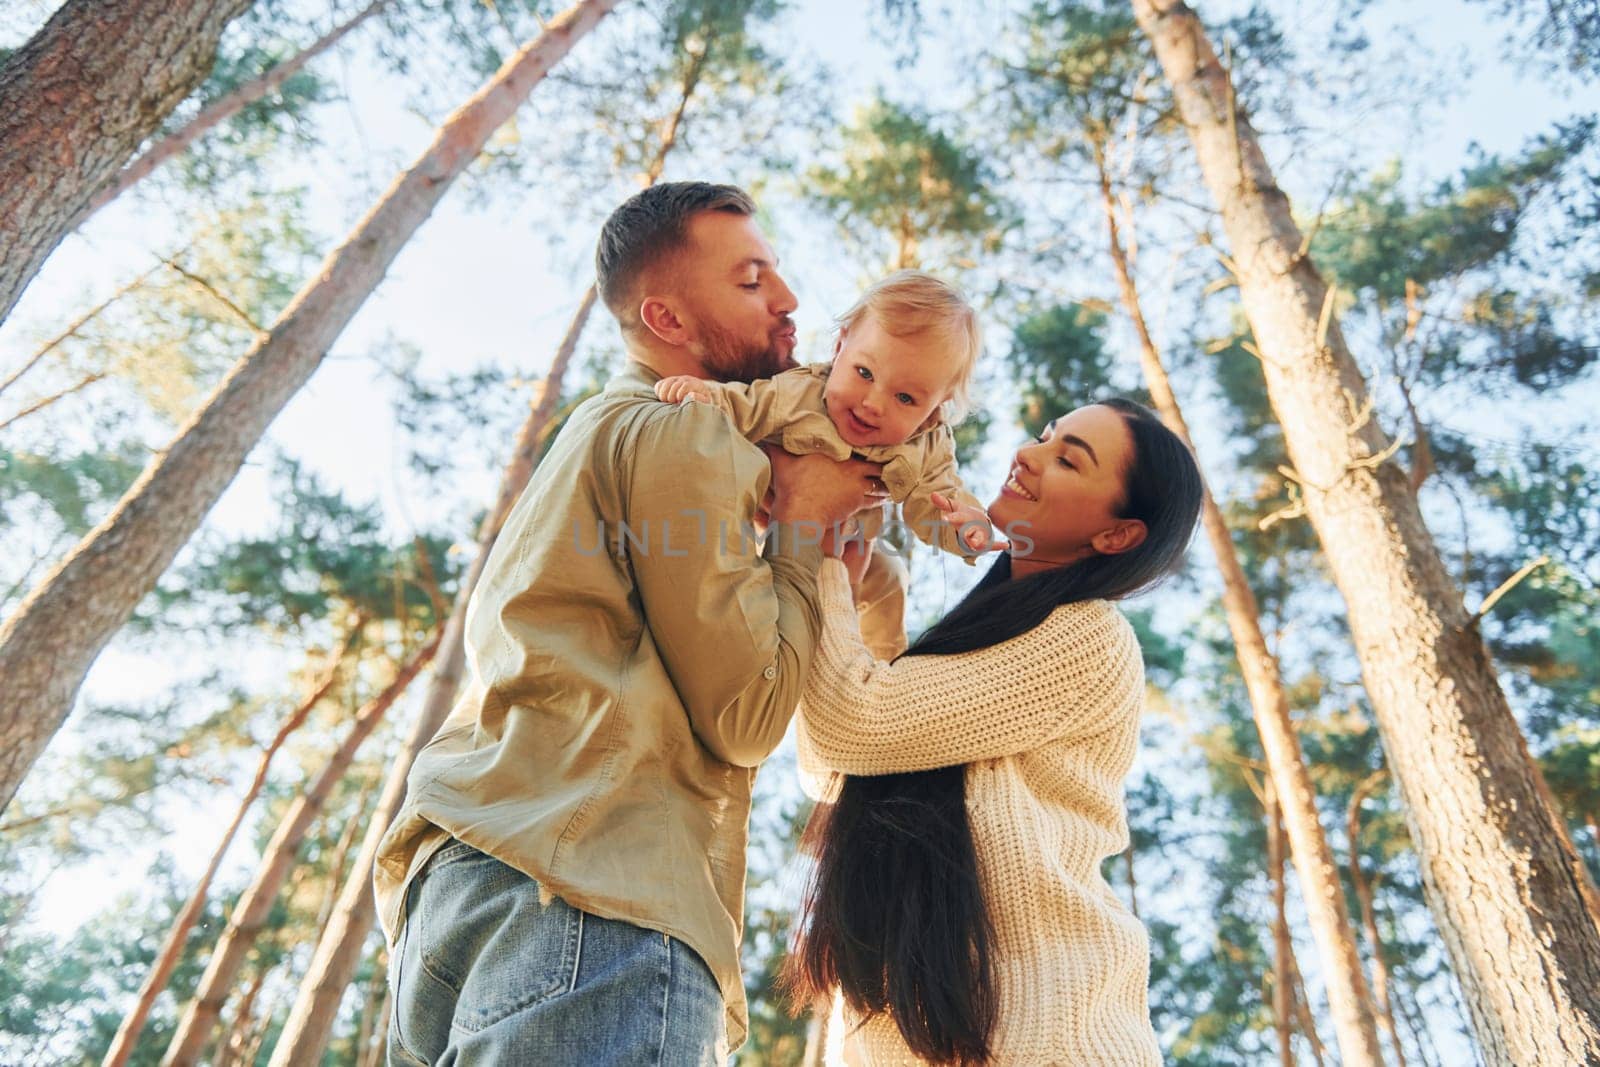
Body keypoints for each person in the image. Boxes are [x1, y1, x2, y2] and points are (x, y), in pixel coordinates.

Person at [373, 181, 889, 1066]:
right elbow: (746, 715)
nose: (790, 299)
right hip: (593, 892)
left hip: (465, 887)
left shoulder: (598, 432)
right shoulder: (678, 432)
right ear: (668, 318)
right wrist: (802, 523)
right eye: (752, 279)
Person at [787, 400, 1205, 1066]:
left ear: (1118, 535)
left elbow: (854, 726)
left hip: (1057, 1038)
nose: (1029, 454)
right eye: (1043, 436)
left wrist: (816, 558)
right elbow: (835, 768)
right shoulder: (985, 638)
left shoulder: (1089, 637)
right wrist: (870, 601)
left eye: (1068, 458)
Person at [653, 270, 1001, 562]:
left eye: (906, 398)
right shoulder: (799, 393)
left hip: (853, 545)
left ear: (936, 408)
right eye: (864, 373)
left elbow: (938, 501)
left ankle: (866, 637)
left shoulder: (928, 444)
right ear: (840, 347)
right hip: (776, 531)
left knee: (884, 577)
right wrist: (704, 394)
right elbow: (747, 405)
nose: (873, 404)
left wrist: (967, 530)